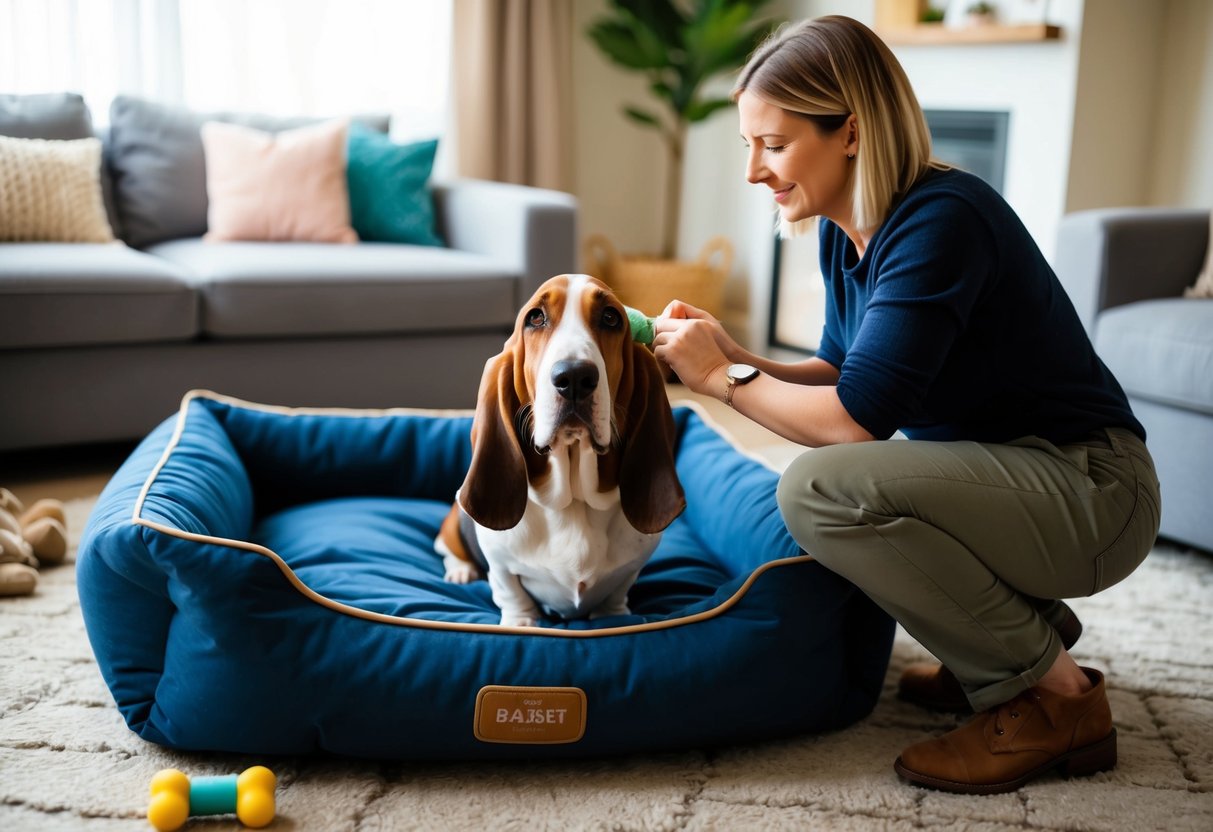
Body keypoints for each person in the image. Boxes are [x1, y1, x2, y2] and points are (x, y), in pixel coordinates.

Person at [650, 15, 1161, 795]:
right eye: (748, 145)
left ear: (848, 132)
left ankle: (1058, 702)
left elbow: (856, 420)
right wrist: (733, 355)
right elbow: (842, 371)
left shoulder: (941, 219)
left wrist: (719, 382)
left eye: (774, 144)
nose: (755, 170)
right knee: (841, 484)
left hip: (1093, 490)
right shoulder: (841, 229)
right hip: (1018, 481)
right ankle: (1018, 636)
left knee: (818, 489)